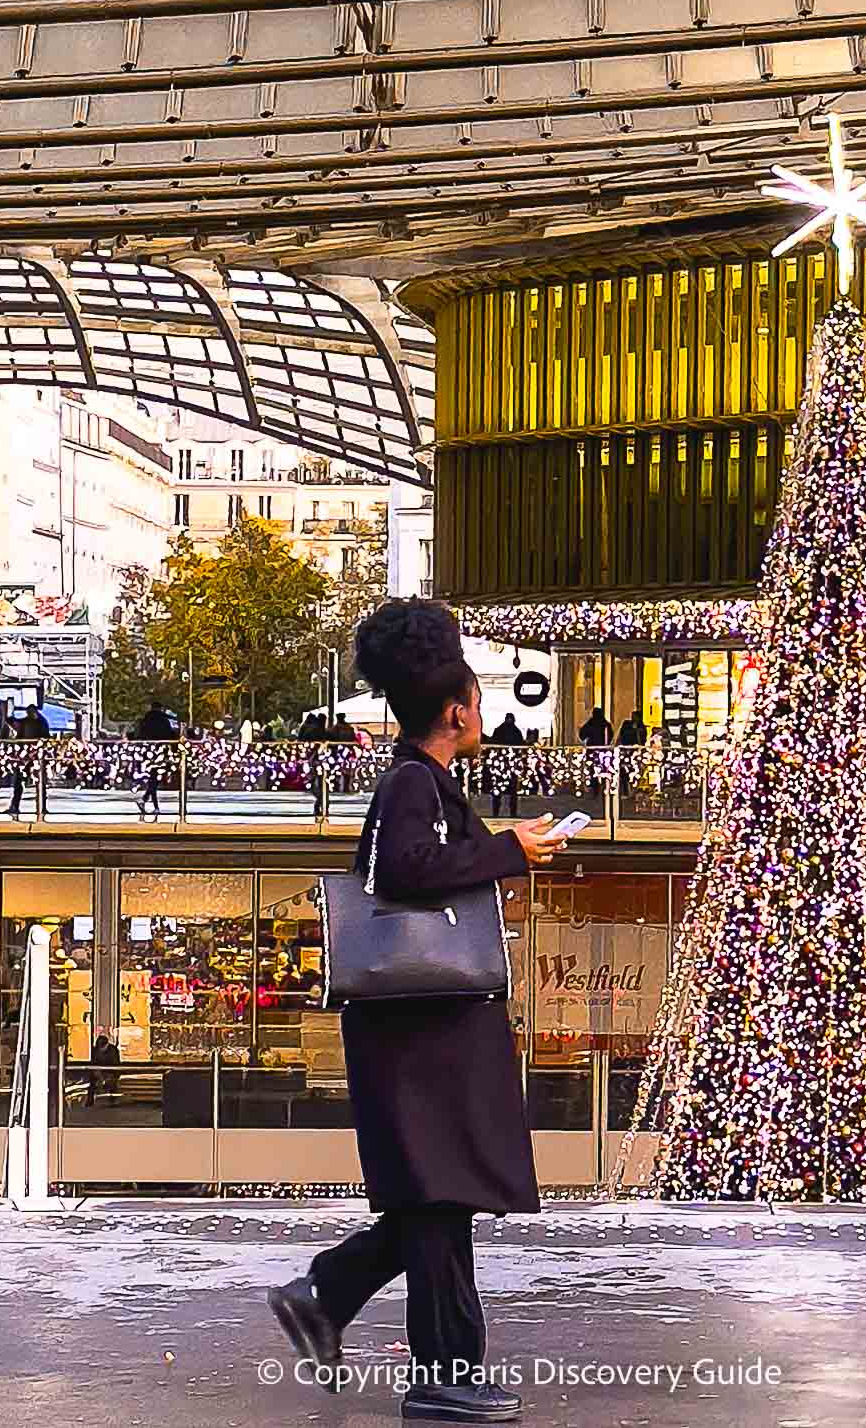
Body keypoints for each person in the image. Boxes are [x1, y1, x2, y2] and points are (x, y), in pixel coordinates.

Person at [268, 598, 564, 1424]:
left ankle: (324, 1297)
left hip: (421, 1034)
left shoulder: (422, 783)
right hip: (421, 1037)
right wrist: (509, 852)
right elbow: (404, 869)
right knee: (437, 1200)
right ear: (456, 708)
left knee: (436, 1199)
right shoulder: (411, 783)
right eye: (476, 698)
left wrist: (508, 846)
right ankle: (441, 1375)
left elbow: (426, 862)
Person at [132, 698, 177, 818]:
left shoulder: (147, 719)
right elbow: (170, 733)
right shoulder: (164, 719)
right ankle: (152, 804)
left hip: (149, 750)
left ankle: (147, 801)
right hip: (160, 750)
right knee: (155, 779)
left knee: (154, 779)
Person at [5, 703, 52, 818]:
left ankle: (42, 807)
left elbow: (45, 737)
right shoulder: (25, 721)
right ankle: (15, 806)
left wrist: (37, 748)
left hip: (37, 755)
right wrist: (8, 712)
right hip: (25, 755)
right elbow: (12, 722)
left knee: (40, 782)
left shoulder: (42, 722)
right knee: (19, 781)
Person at [489, 712, 525, 818]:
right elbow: (520, 745)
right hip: (510, 765)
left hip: (500, 765)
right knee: (511, 792)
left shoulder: (499, 730)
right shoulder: (516, 731)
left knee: (499, 791)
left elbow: (493, 743)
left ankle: (496, 813)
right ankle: (511, 813)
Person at [579, 706, 613, 800]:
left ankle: (596, 789)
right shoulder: (605, 724)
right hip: (603, 750)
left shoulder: (591, 723)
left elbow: (582, 734)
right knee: (603, 769)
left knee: (594, 770)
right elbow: (610, 736)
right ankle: (603, 788)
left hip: (593, 750)